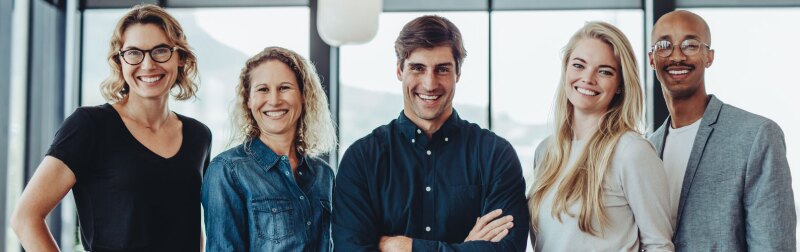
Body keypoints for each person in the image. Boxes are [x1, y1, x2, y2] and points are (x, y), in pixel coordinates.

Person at [11, 4, 211, 251]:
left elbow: (190, 224)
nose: (148, 64)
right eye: (134, 53)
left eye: (160, 51)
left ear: (180, 57)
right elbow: (25, 217)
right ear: (120, 61)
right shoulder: (90, 126)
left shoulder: (198, 135)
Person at [332, 15, 529, 251]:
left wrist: (406, 247)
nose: (429, 83)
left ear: (458, 73)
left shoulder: (494, 154)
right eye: (418, 68)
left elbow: (508, 249)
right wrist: (464, 247)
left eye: (442, 69)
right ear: (399, 70)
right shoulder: (362, 159)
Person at [647, 10, 795, 250]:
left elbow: (774, 244)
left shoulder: (756, 136)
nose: (677, 56)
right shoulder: (647, 149)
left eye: (690, 44)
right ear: (652, 59)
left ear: (709, 57)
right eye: (665, 45)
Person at [527, 21, 674, 251]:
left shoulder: (631, 152)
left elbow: (659, 245)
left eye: (604, 71)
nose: (588, 78)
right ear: (566, 69)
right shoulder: (546, 152)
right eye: (579, 65)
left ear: (619, 85)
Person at [201, 46, 337, 251]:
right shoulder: (227, 171)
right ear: (248, 100)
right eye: (263, 89)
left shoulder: (323, 174)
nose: (274, 100)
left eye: (284, 88)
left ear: (303, 95)